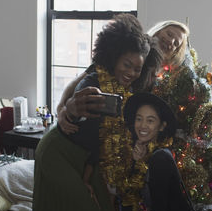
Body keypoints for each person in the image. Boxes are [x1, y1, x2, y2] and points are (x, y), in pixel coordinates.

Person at [31, 14, 162, 211]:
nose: (131, 73)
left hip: (86, 157)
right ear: (114, 57)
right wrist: (67, 111)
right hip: (59, 154)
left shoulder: (123, 88)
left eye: (137, 69)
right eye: (126, 65)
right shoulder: (93, 83)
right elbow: (87, 125)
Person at [57, 20, 190, 135]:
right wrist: (62, 108)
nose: (170, 41)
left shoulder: (169, 77)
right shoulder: (131, 48)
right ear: (159, 30)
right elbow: (79, 82)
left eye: (176, 43)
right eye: (169, 34)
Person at [123, 92, 206, 211]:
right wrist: (137, 162)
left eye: (150, 120)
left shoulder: (159, 158)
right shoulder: (149, 154)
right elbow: (132, 193)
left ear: (161, 126)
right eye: (139, 119)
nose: (142, 125)